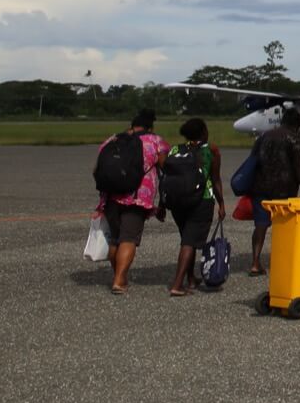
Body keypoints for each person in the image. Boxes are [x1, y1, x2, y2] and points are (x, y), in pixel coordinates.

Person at [95, 109, 167, 295]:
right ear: (151, 126)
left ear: (132, 125)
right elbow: (165, 167)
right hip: (137, 197)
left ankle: (119, 275)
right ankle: (119, 281)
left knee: (115, 239)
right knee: (129, 239)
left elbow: (97, 167)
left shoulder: (113, 140)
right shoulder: (155, 141)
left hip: (110, 196)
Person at [163, 118, 225, 297]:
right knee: (189, 242)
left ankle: (191, 278)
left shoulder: (175, 149)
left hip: (177, 202)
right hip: (201, 200)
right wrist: (221, 203)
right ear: (204, 132)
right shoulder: (211, 150)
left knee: (186, 238)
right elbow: (215, 179)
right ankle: (177, 284)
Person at [248, 105, 300, 277]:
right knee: (284, 226)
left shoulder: (264, 136)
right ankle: (283, 261)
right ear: (296, 124)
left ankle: (255, 262)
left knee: (261, 224)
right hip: (284, 189)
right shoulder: (294, 138)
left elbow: (253, 160)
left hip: (260, 186)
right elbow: (298, 168)